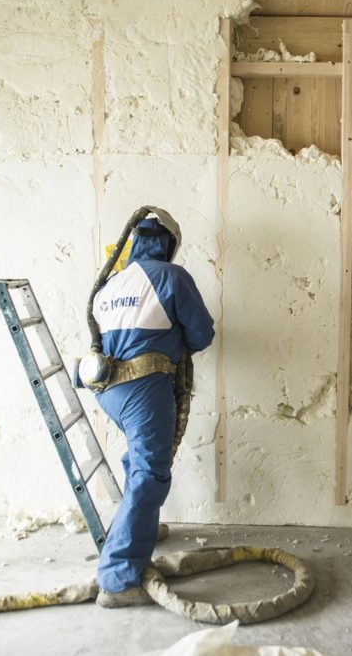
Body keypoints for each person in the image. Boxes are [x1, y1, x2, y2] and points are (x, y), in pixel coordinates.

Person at [91, 214, 214, 608]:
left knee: (137, 462)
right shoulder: (170, 277)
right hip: (145, 387)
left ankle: (138, 528)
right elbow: (202, 333)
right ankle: (119, 578)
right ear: (167, 243)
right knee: (150, 474)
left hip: (109, 390)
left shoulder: (111, 283)